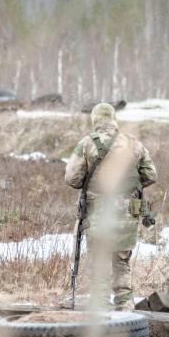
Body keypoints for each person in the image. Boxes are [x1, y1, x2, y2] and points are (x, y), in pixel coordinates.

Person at [64, 102, 157, 310]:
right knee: (122, 261)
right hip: (127, 212)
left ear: (94, 121)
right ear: (114, 119)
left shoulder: (87, 144)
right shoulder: (134, 144)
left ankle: (100, 304)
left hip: (97, 212)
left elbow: (72, 179)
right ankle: (125, 303)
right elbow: (151, 175)